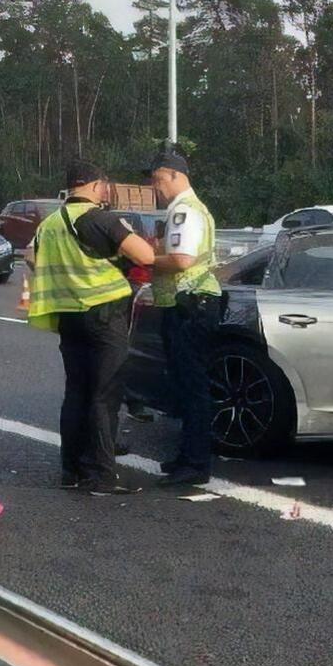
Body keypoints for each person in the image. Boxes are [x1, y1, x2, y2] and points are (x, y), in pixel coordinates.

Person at [28, 159, 157, 494]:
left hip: (68, 316)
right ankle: (100, 474)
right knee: (105, 395)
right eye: (105, 185)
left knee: (76, 393)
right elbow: (145, 255)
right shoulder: (98, 218)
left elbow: (32, 258)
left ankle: (70, 470)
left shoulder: (50, 224)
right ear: (97, 185)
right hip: (102, 315)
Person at [144, 148, 222, 487]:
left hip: (189, 305)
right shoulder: (188, 209)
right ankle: (187, 456)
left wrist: (147, 257)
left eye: (158, 181)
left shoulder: (184, 212)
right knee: (185, 386)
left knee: (192, 387)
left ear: (176, 176)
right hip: (190, 304)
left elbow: (180, 261)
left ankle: (195, 462)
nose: (156, 189)